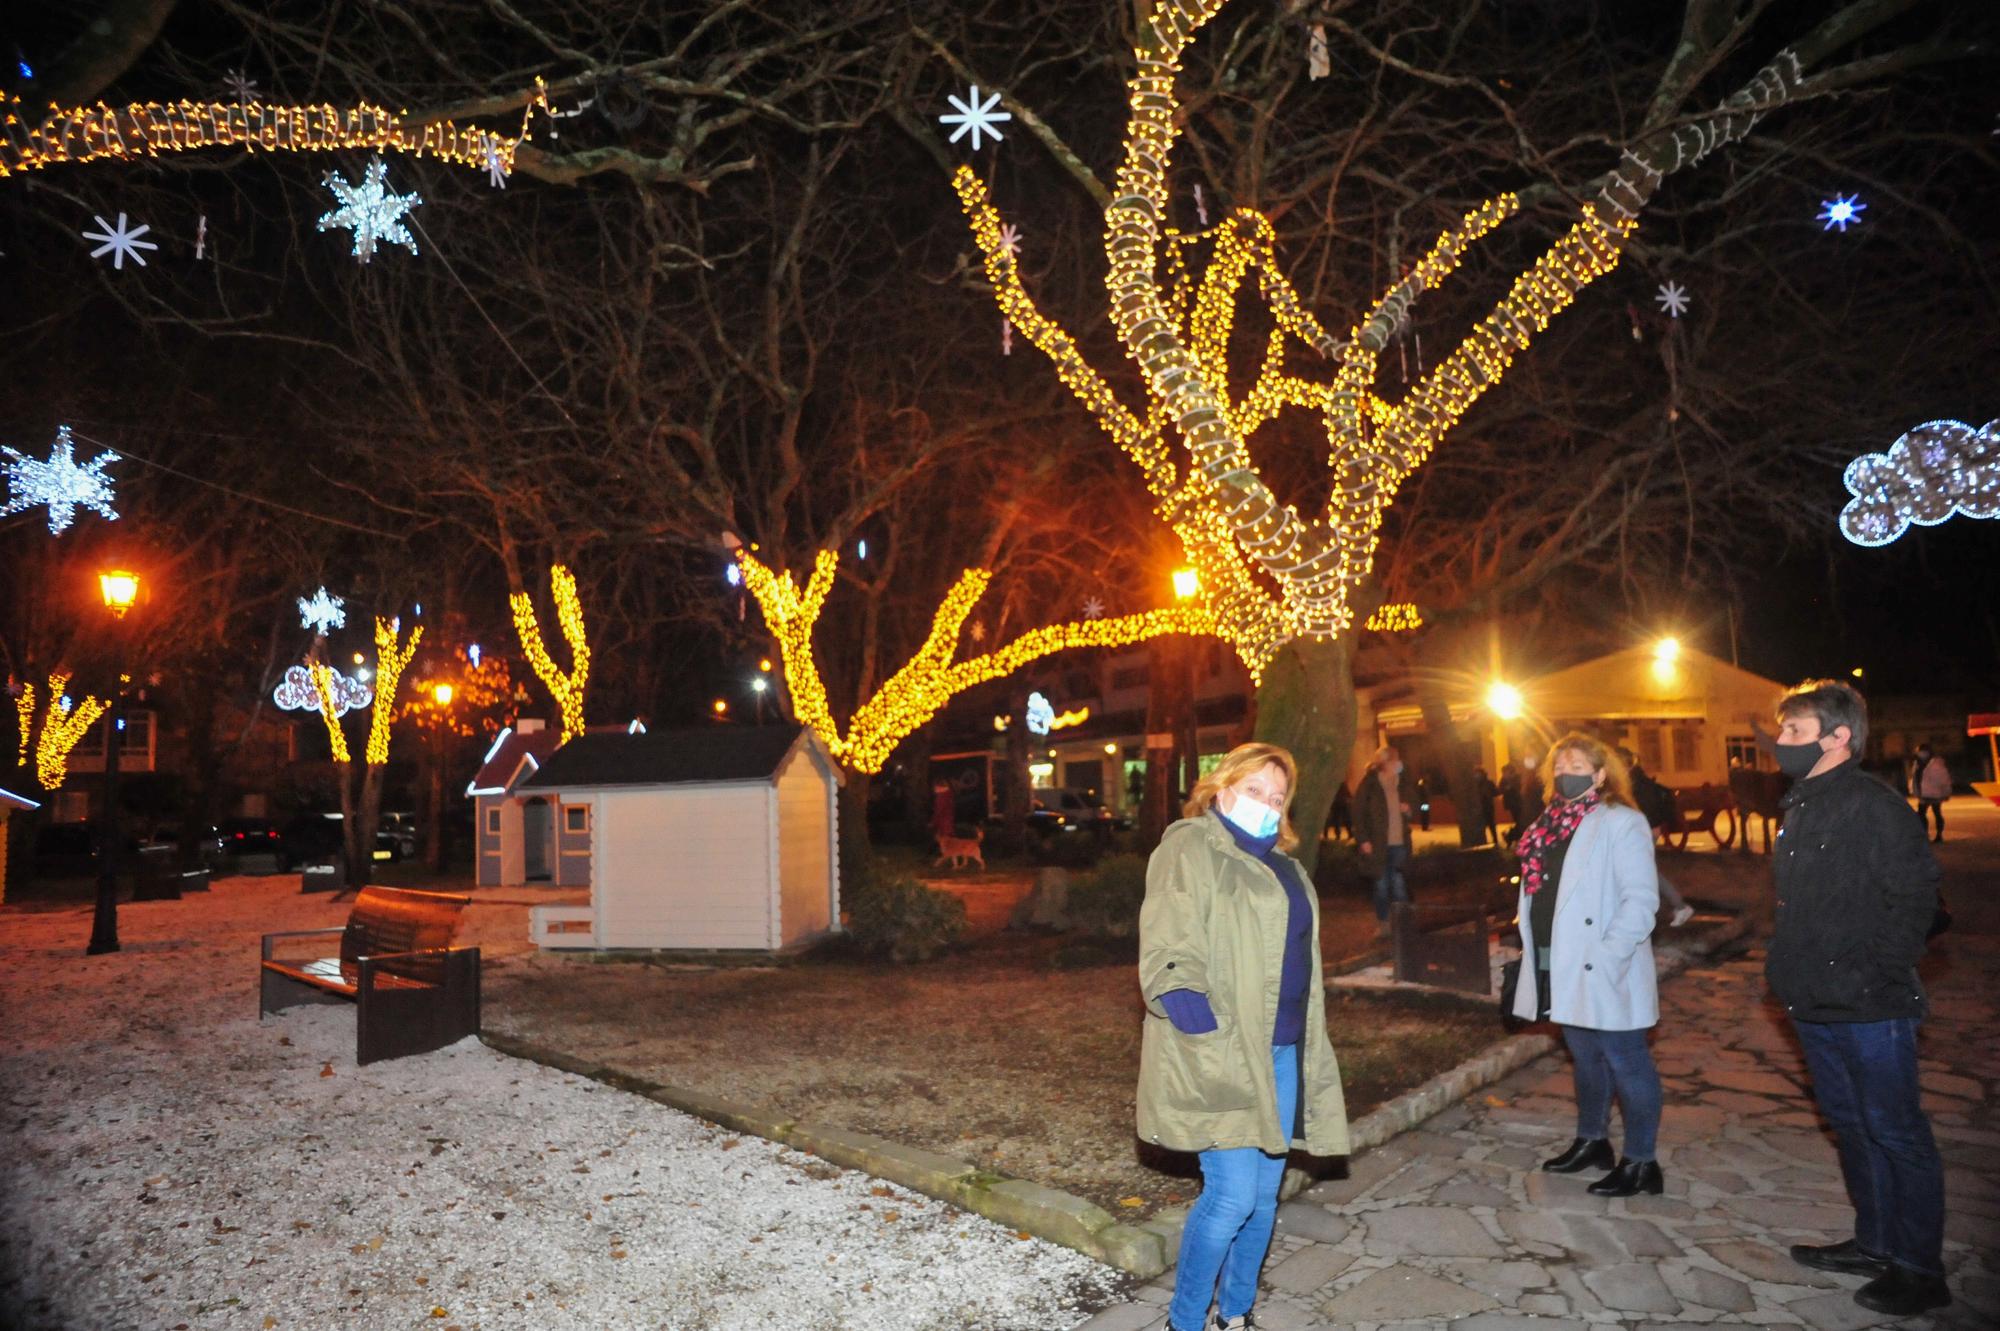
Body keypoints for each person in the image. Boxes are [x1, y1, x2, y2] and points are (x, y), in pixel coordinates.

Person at [1138, 742, 1350, 1331]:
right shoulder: (1190, 845)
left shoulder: (1285, 865)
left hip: (1284, 1051)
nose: (1264, 803)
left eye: (1275, 798)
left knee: (1261, 1201)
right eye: (1253, 789)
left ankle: (1235, 1314)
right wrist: (1195, 1019)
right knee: (1230, 1198)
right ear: (1222, 786)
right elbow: (1169, 942)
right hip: (1224, 1048)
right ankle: (1184, 1323)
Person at [1768, 681, 1950, 1317]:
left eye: (1794, 731)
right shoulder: (1802, 804)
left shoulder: (1874, 804)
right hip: (1813, 1001)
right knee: (1850, 1127)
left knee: (1896, 1133)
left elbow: (1918, 898)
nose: (1781, 743)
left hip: (1872, 1004)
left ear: (1837, 736)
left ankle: (1921, 1268)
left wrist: (1878, 971)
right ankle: (1875, 1244)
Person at [1510, 733, 1666, 1198]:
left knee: (1626, 1061)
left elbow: (1641, 899)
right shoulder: (1550, 823)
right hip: (1558, 958)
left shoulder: (1622, 821)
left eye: (1576, 764)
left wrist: (1610, 953)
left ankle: (1641, 1162)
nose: (1565, 772)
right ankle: (1592, 1140)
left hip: (1600, 964)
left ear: (1600, 774)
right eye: (1559, 766)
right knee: (1585, 1056)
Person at [1616, 748, 1694, 928]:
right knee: (1645, 871)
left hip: (1642, 833)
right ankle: (1671, 906)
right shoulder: (1637, 780)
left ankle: (1679, 906)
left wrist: (1649, 829)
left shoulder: (1635, 784)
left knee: (1647, 872)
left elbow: (1642, 810)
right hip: (1645, 831)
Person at [1354, 746, 1413, 936]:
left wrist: (1409, 809)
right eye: (1395, 760)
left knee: (1399, 885)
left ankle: (1403, 923)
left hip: (1399, 842)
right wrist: (1363, 839)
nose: (1398, 763)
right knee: (1381, 884)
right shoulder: (1370, 784)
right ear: (1385, 762)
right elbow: (1358, 812)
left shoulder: (1402, 783)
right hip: (1378, 843)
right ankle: (1384, 923)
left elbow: (1415, 806)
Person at [1910, 743, 1950, 843]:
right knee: (1921, 814)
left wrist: (1946, 792)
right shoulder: (1917, 764)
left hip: (1935, 793)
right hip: (1923, 793)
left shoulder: (1935, 764)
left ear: (1929, 752)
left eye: (1923, 751)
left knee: (1936, 813)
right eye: (1920, 751)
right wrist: (1914, 790)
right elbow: (1915, 779)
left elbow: (1944, 779)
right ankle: (1925, 834)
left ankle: (1939, 835)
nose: (1921, 754)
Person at [1474, 766, 1501, 846]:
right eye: (1476, 774)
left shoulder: (1489, 783)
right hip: (1479, 807)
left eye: (1478, 774)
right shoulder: (1474, 784)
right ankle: (1483, 840)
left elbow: (1496, 792)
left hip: (1488, 806)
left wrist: (1489, 794)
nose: (1477, 775)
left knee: (1491, 824)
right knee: (1481, 825)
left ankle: (1495, 840)